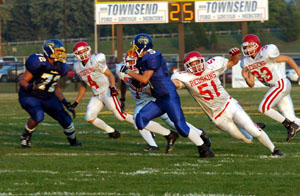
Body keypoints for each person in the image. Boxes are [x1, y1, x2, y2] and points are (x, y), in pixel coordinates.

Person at [71, 41, 180, 153]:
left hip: (107, 91)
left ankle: (162, 132)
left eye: (84, 50)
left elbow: (110, 75)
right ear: (76, 54)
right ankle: (112, 132)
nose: (83, 53)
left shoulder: (95, 59)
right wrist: (77, 101)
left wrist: (113, 88)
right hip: (96, 94)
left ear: (89, 49)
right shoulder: (77, 66)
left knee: (121, 116)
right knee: (89, 117)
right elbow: (84, 84)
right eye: (80, 52)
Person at [171, 49, 283, 157]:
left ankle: (274, 150)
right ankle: (247, 126)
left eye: (197, 62)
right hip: (217, 116)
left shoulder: (213, 65)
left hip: (229, 105)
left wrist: (234, 55)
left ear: (203, 61)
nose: (196, 66)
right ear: (187, 67)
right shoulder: (183, 77)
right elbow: (171, 85)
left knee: (254, 131)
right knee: (247, 139)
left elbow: (233, 61)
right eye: (192, 64)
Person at [120, 33, 214, 158]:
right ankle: (170, 135)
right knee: (140, 119)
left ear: (142, 47)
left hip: (169, 96)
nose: (134, 50)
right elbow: (142, 81)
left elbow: (144, 79)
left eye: (135, 47)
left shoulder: (153, 57)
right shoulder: (143, 59)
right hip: (159, 98)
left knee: (181, 127)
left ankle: (203, 148)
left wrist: (128, 72)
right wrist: (134, 82)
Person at [18, 39, 82, 148]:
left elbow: (56, 88)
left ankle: (73, 141)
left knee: (65, 118)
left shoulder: (61, 67)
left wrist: (66, 103)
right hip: (30, 95)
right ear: (49, 51)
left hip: (47, 96)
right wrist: (32, 86)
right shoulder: (38, 62)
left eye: (61, 52)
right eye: (58, 51)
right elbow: (22, 81)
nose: (61, 54)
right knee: (38, 115)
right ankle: (26, 135)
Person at [240, 34, 300, 142]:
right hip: (277, 86)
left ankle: (289, 125)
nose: (246, 49)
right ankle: (292, 124)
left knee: (263, 108)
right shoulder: (246, 61)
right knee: (292, 118)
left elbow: (287, 59)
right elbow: (251, 84)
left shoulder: (265, 53)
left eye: (249, 46)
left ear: (256, 45)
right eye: (245, 47)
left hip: (280, 83)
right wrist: (246, 78)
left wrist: (299, 74)